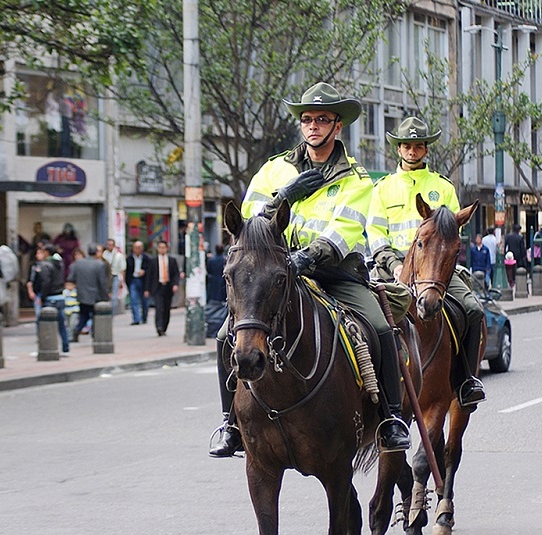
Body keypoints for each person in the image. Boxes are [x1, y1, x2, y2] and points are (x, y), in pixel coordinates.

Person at [211, 82, 411, 457]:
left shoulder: (356, 178)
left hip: (333, 273)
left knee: (380, 327)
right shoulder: (273, 171)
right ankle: (230, 424)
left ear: (338, 126)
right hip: (275, 275)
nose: (313, 126)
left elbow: (345, 230)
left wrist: (305, 259)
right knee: (226, 334)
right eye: (307, 119)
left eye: (322, 119)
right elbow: (250, 226)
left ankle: (390, 419)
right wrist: (285, 195)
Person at [369, 116, 486, 412]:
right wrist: (394, 264)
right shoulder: (382, 188)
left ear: (426, 150)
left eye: (417, 146)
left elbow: (452, 231)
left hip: (435, 269)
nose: (411, 151)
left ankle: (467, 381)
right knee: (363, 320)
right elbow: (374, 232)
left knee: (472, 310)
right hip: (392, 266)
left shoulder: (442, 187)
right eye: (406, 145)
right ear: (398, 149)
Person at [67, 243, 110, 342]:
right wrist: (105, 296)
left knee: (84, 315)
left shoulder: (78, 263)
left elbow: (71, 278)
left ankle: (76, 332)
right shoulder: (100, 264)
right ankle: (95, 334)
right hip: (95, 295)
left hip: (82, 295)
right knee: (95, 316)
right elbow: (102, 282)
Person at [32, 244, 69, 353]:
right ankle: (65, 346)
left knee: (42, 322)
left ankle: (46, 346)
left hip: (50, 298)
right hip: (60, 296)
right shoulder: (59, 263)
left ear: (47, 252)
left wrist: (42, 297)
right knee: (62, 323)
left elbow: (45, 282)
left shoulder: (45, 265)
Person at [144, 240, 179, 336]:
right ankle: (159, 327)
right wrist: (147, 289)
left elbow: (176, 274)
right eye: (160, 247)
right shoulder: (153, 261)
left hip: (168, 287)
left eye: (163, 247)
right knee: (159, 307)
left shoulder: (172, 261)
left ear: (167, 248)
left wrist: (175, 284)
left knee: (166, 308)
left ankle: (164, 326)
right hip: (157, 287)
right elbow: (149, 276)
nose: (162, 249)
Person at [205, 243, 228, 339]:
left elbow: (208, 270)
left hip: (213, 285)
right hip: (222, 285)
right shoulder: (225, 260)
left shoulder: (211, 260)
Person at [125, 241, 150, 325]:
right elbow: (127, 271)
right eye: (135, 248)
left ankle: (144, 317)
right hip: (133, 280)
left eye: (139, 248)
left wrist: (144, 272)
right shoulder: (129, 258)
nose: (137, 250)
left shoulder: (146, 258)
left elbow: (150, 270)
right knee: (133, 300)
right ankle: (136, 319)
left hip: (144, 281)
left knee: (145, 301)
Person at [102, 239, 127, 315]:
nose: (109, 246)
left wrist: (122, 281)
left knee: (114, 296)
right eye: (108, 244)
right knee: (105, 295)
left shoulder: (119, 256)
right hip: (105, 276)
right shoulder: (104, 254)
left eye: (110, 245)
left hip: (115, 276)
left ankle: (111, 313)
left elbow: (122, 269)